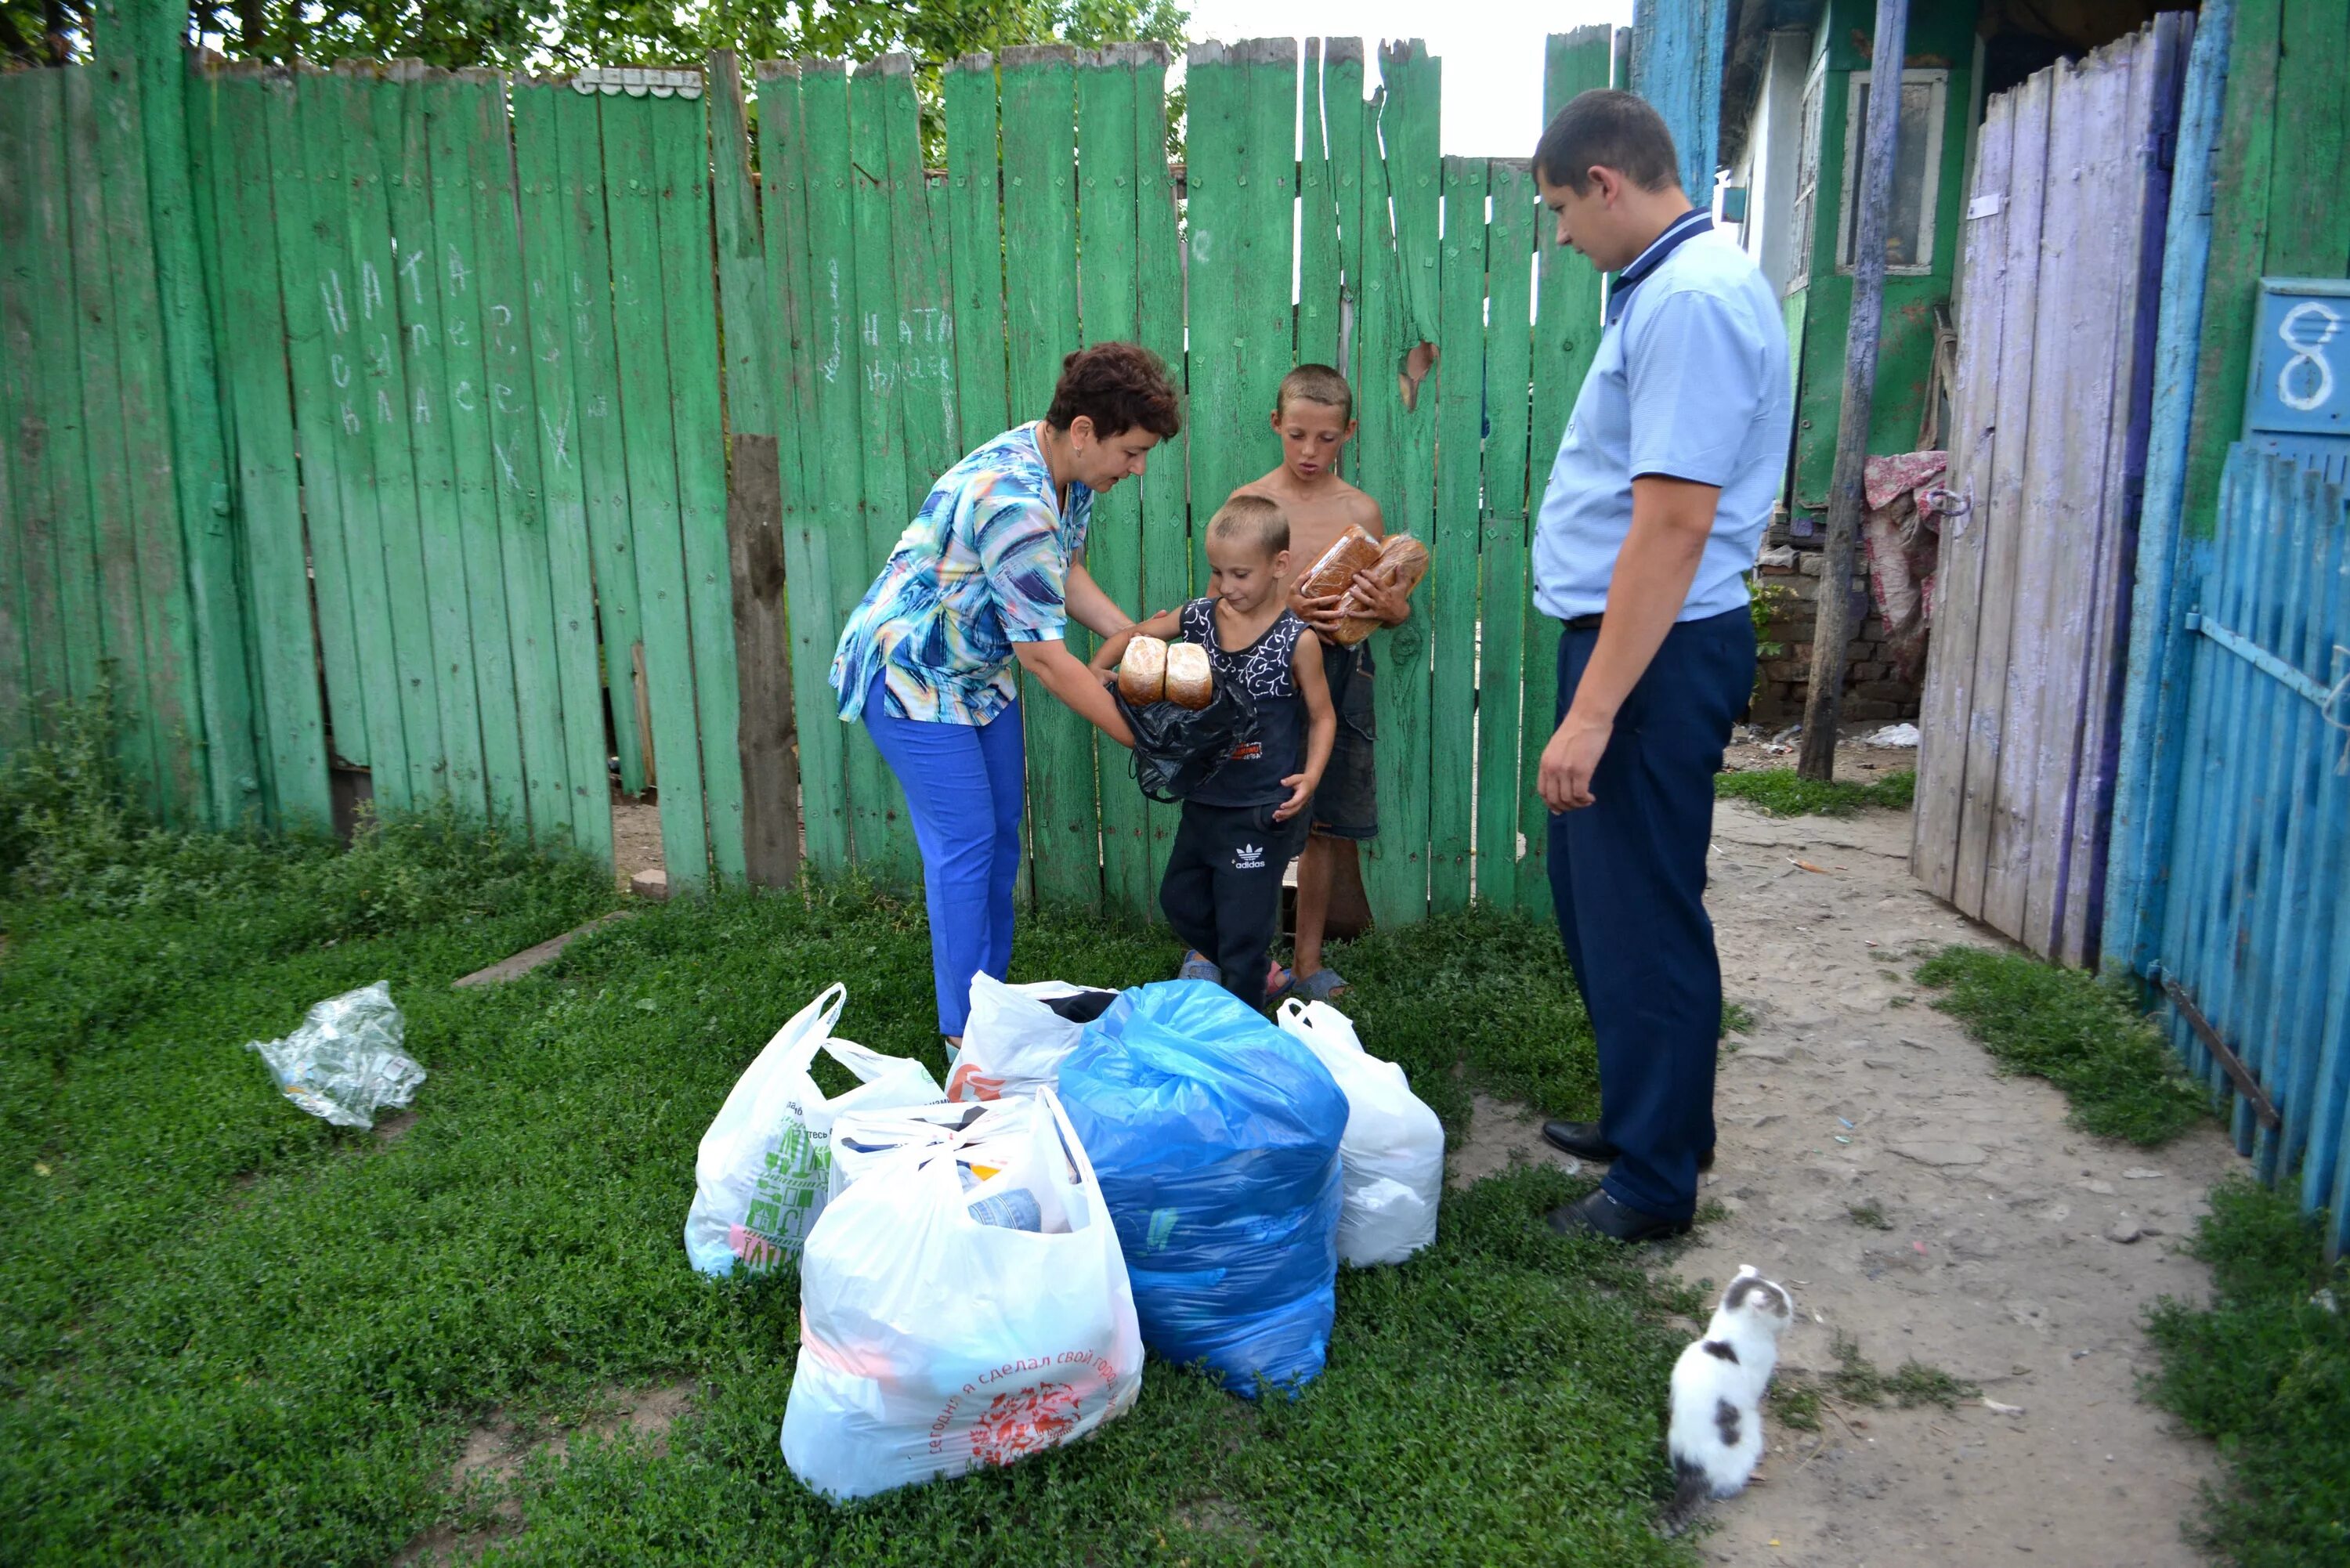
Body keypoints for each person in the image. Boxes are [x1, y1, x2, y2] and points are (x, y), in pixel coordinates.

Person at [1527, 91, 1792, 1242]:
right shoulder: (1676, 286)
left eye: (1558, 209)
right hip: (1640, 642)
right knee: (1606, 907)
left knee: (1641, 914)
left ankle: (1653, 1184)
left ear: (1605, 182)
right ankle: (1656, 1118)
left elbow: (1674, 526)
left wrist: (1593, 711)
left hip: (1655, 650)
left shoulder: (1687, 298)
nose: (1561, 236)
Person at [830, 342, 1182, 1049]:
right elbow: (1047, 661)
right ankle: (966, 1038)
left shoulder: (1066, 470)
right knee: (963, 847)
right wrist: (1144, 736)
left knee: (997, 839)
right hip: (912, 676)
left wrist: (1138, 641)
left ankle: (985, 1001)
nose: (1139, 468)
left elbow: (1064, 574)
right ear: (1085, 431)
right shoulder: (1015, 502)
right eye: (1133, 451)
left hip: (976, 674)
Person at [1090, 495, 1336, 1013]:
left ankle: (1243, 1033)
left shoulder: (1297, 640)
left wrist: (1311, 776)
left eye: (1241, 574)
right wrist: (1098, 667)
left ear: (1280, 565)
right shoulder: (1200, 619)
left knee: (1245, 930)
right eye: (1218, 572)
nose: (1227, 587)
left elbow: (1322, 716)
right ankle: (1254, 972)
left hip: (1259, 809)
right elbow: (1136, 635)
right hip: (1202, 798)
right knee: (1179, 901)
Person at [1231, 366, 1410, 1003]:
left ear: (1349, 433)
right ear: (1276, 424)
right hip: (1264, 677)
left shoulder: (1361, 511)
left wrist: (1392, 611)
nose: (1311, 452)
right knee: (1247, 814)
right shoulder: (1251, 505)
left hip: (1341, 676)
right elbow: (1220, 603)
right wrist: (1286, 615)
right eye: (1298, 434)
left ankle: (1307, 962)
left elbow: (1385, 603)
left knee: (1327, 825)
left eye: (1327, 438)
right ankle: (1221, 949)